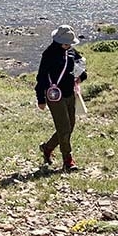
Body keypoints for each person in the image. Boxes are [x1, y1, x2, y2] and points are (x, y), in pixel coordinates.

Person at [36, 24, 87, 172]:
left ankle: (47, 147)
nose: (69, 45)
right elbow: (41, 77)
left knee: (70, 126)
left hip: (69, 93)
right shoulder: (48, 54)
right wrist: (41, 99)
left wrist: (82, 75)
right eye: (67, 43)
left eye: (70, 43)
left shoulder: (71, 51)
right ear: (58, 41)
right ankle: (68, 160)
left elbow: (79, 66)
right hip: (54, 96)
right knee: (64, 128)